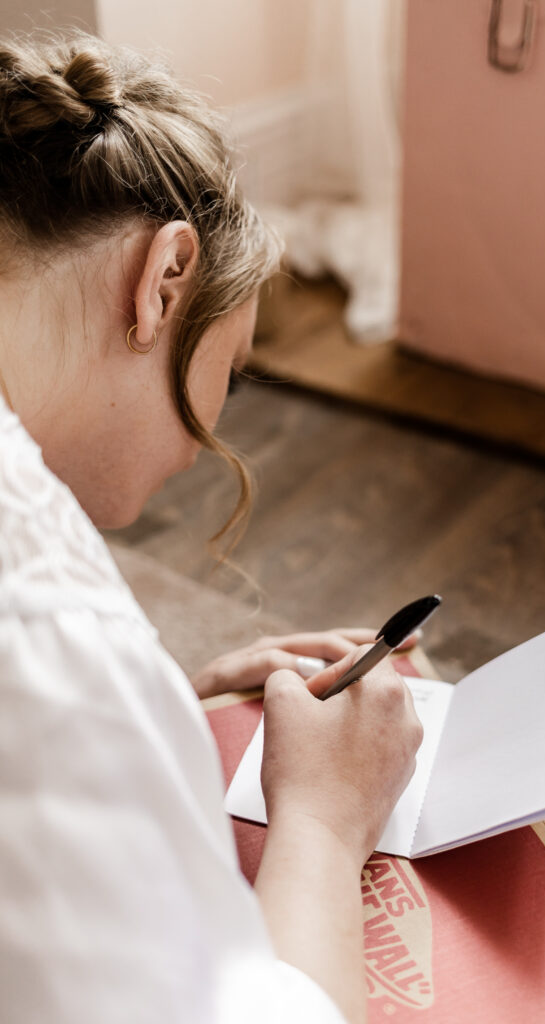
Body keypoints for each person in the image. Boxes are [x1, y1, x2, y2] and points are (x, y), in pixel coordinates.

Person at [0, 31, 423, 1024]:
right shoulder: (42, 626)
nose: (205, 444)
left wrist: (156, 712)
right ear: (162, 282)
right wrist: (323, 820)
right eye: (227, 370)